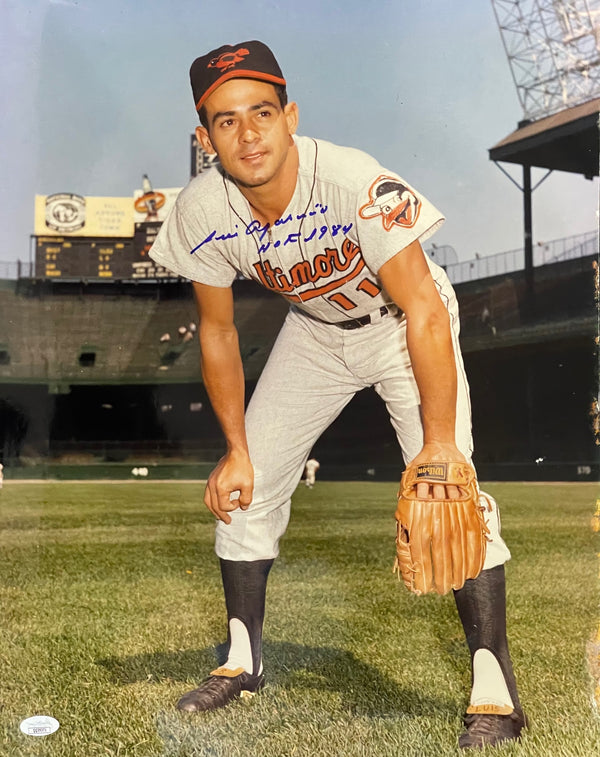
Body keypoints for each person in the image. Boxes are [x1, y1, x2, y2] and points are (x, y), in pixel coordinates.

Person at [149, 41, 526, 749]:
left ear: (290, 115)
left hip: (399, 322)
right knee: (248, 484)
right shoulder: (202, 208)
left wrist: (441, 442)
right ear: (206, 139)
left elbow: (423, 308)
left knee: (452, 490)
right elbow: (219, 330)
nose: (249, 133)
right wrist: (234, 448)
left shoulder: (351, 177)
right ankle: (242, 658)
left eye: (262, 112)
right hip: (314, 331)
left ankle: (495, 691)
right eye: (226, 121)